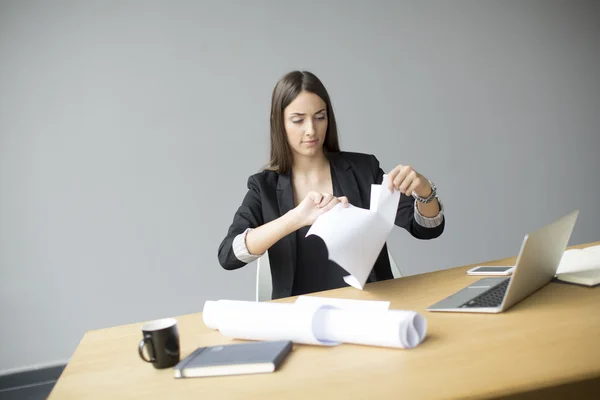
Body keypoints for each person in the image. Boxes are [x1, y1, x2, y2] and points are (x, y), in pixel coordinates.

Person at [218, 70, 445, 300]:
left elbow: (427, 229)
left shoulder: (363, 169)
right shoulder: (264, 186)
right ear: (280, 123)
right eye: (298, 120)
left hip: (371, 312)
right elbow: (228, 255)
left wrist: (424, 192)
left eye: (320, 117)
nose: (311, 130)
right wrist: (296, 218)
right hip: (301, 320)